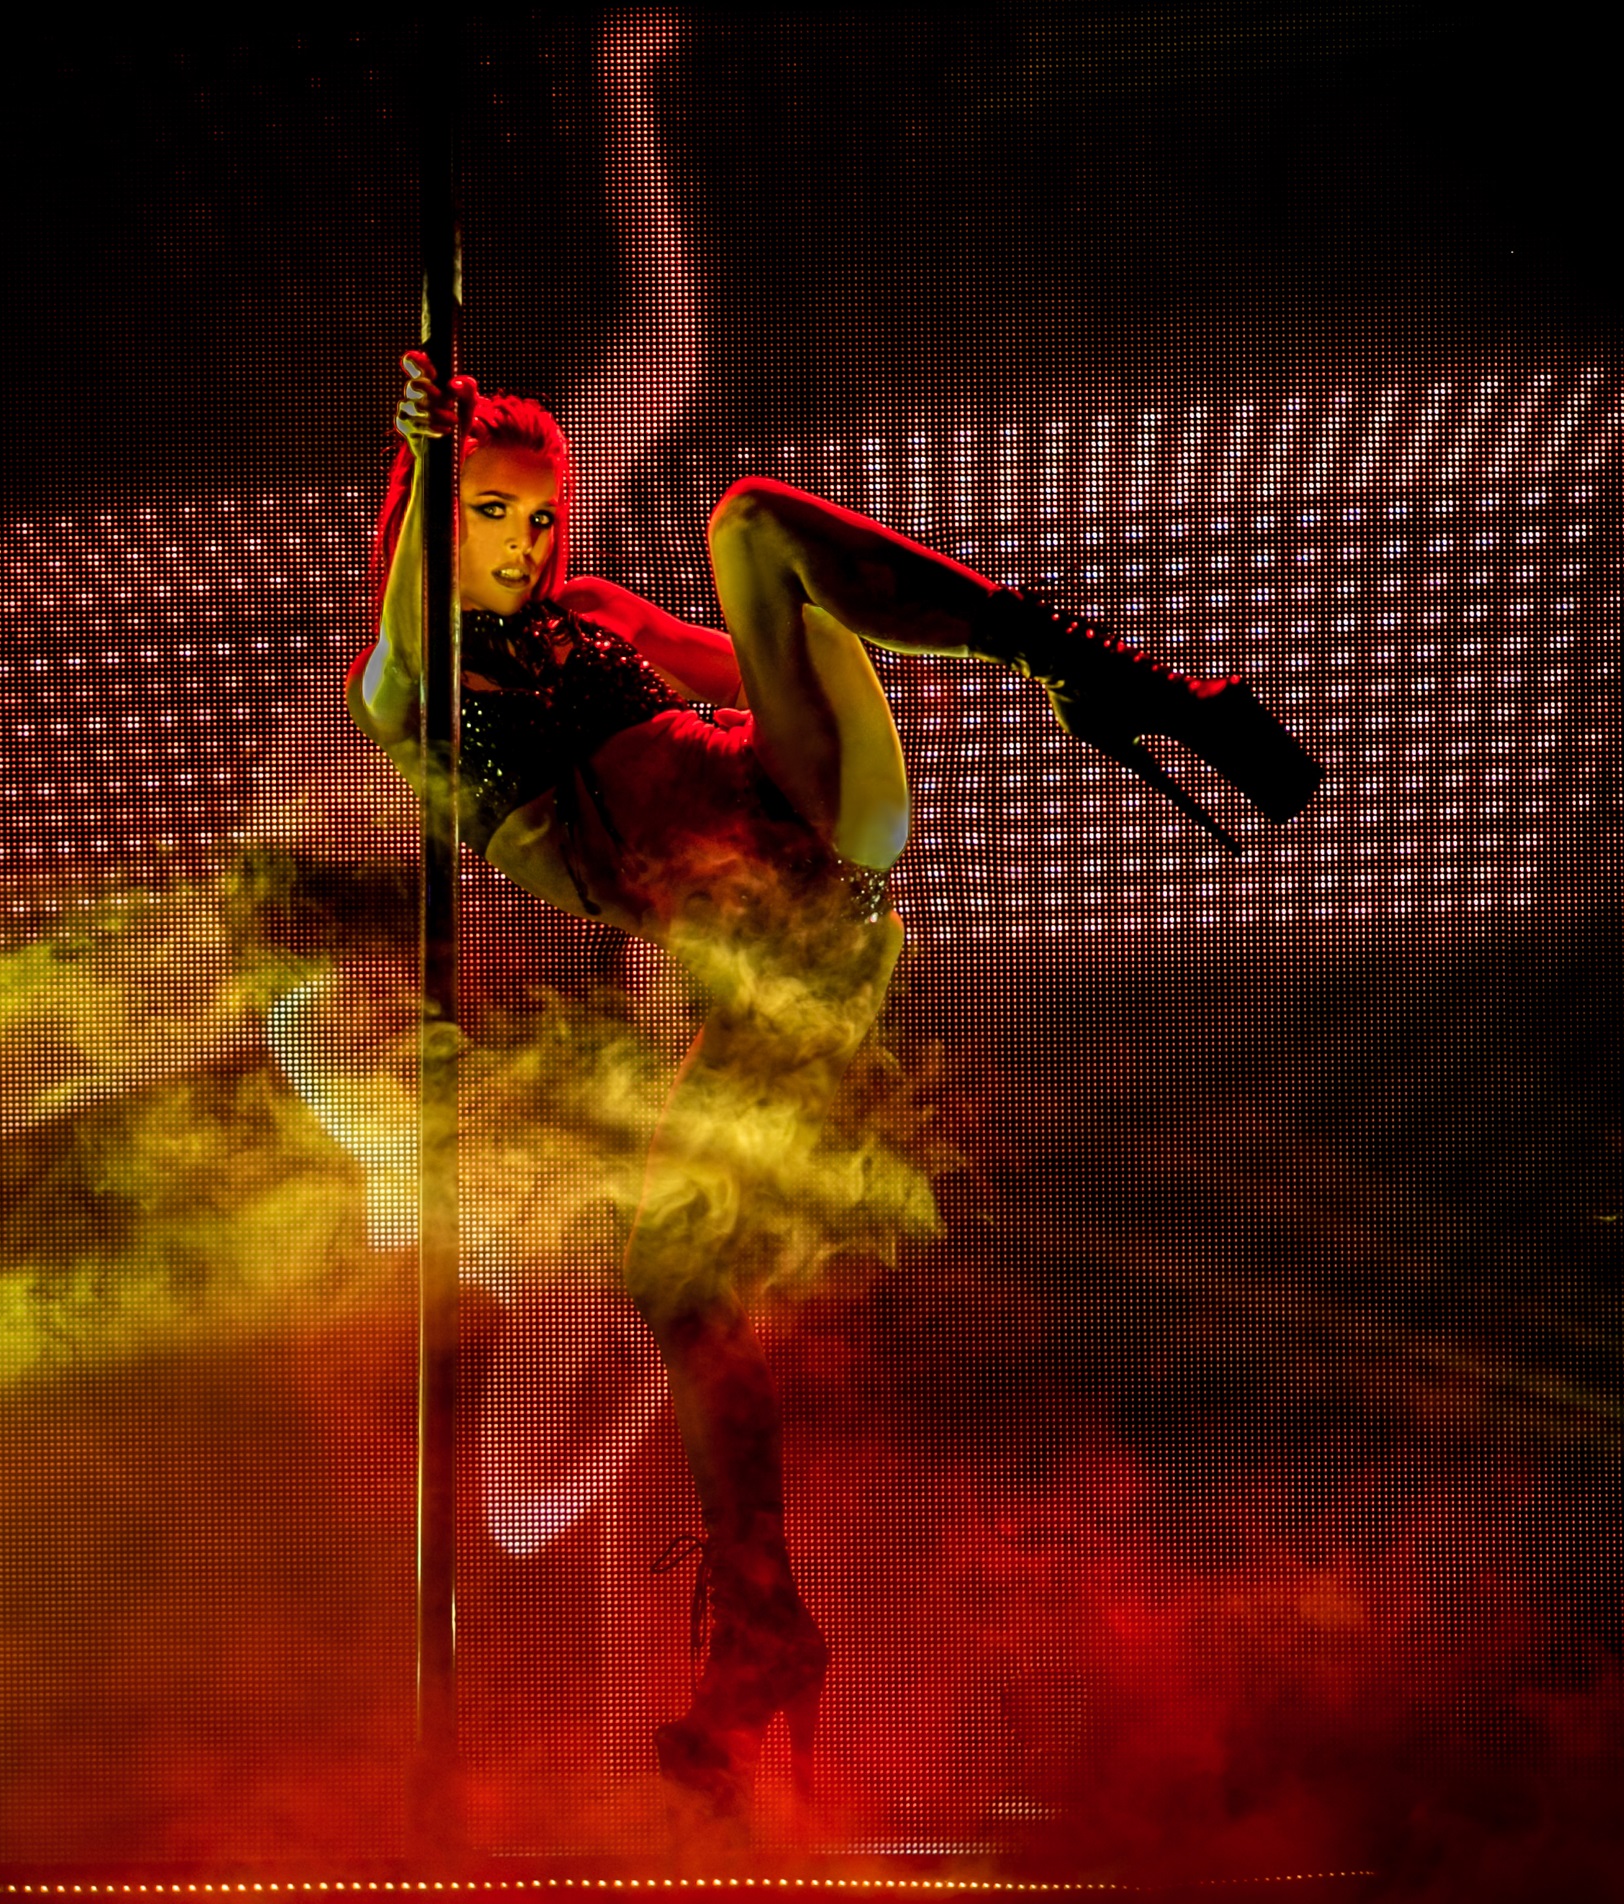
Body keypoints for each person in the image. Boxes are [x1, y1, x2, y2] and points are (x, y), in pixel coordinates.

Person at [348, 351, 1320, 1811]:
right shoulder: (406, 688)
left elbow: (771, 657)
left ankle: (1098, 676)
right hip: (775, 943)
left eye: (542, 516)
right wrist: (432, 458)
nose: (529, 546)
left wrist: (813, 664)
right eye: (495, 515)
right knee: (673, 1273)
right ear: (429, 519)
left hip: (801, 822)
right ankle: (764, 1629)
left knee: (756, 527)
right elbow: (410, 623)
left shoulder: (594, 613)